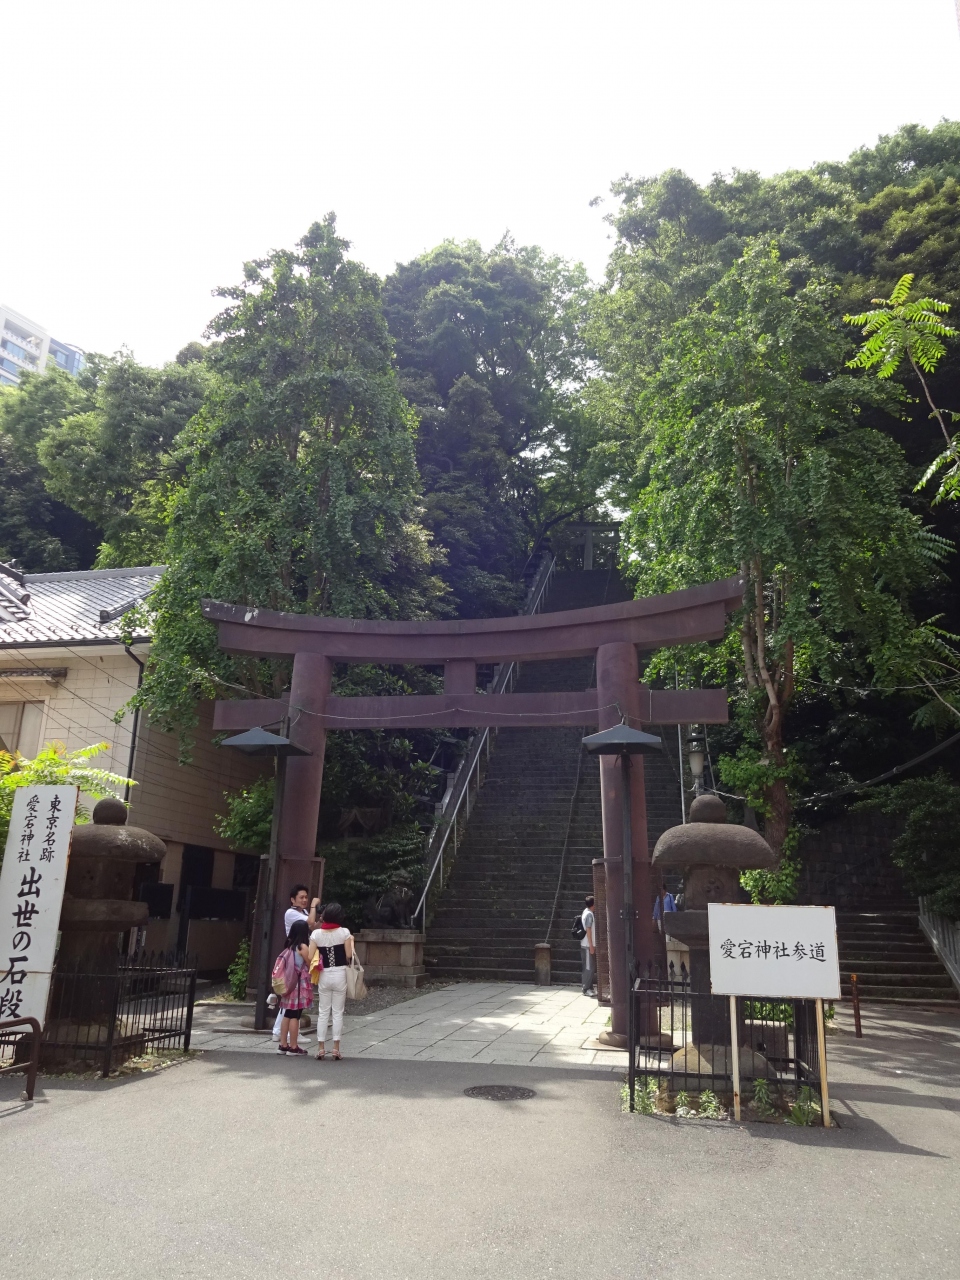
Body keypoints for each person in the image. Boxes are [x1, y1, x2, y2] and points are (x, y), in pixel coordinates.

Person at [271, 885, 318, 1040]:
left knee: (290, 1002)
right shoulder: (291, 913)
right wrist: (313, 906)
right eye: (301, 897)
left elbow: (314, 925)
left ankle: (280, 1032)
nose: (305, 900)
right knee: (294, 1002)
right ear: (292, 899)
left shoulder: (303, 912)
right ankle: (288, 1034)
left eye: (306, 897)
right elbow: (311, 923)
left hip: (296, 954)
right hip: (297, 956)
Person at [309, 902, 353, 1061]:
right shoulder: (344, 932)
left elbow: (310, 956)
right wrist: (351, 941)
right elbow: (348, 955)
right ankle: (336, 1048)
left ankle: (321, 1048)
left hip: (324, 974)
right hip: (340, 973)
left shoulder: (316, 934)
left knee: (323, 1012)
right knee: (337, 1012)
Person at [277, 919, 313, 1055]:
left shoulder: (289, 946)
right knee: (295, 1015)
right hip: (299, 985)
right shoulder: (302, 947)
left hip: (289, 984)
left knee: (287, 1013)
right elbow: (310, 964)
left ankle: (283, 1045)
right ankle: (293, 1046)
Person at [581, 894, 598, 997]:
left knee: (589, 966)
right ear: (593, 904)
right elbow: (588, 929)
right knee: (589, 967)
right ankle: (586, 988)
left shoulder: (585, 912)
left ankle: (589, 987)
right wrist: (591, 945)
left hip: (586, 944)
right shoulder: (589, 915)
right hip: (587, 945)